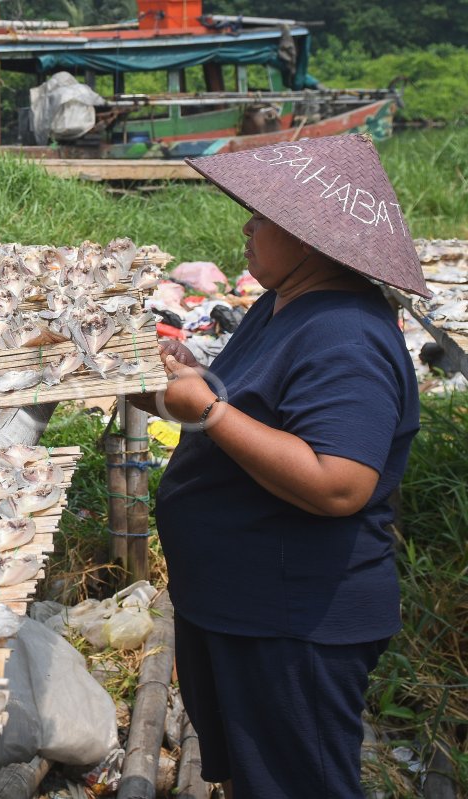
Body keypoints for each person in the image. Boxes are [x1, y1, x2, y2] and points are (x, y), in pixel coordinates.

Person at [134, 134, 430, 799]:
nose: (246, 227)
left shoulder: (345, 333)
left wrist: (210, 413)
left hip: (293, 620)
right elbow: (265, 406)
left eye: (262, 217)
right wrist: (197, 381)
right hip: (240, 603)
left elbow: (338, 482)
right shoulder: (283, 303)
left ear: (308, 238)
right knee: (255, 775)